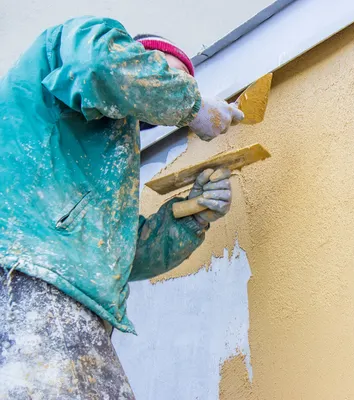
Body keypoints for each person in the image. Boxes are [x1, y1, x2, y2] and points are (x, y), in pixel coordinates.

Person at [0, 16, 243, 399]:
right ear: (140, 55)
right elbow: (99, 64)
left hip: (74, 301)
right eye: (173, 76)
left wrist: (191, 216)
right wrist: (192, 106)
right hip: (27, 276)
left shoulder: (93, 163)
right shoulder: (77, 43)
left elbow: (116, 254)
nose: (181, 88)